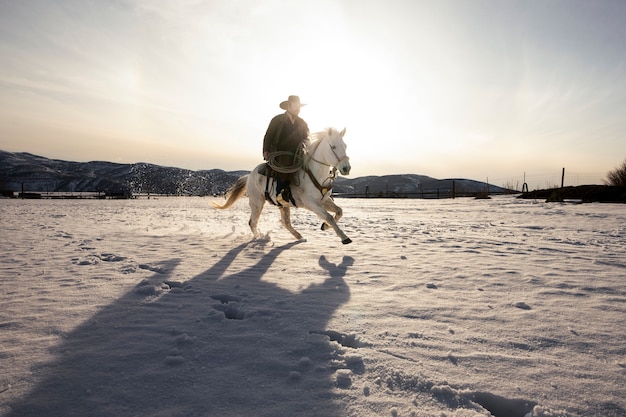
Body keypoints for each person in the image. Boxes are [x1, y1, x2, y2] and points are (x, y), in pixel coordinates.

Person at [262, 95, 310, 204]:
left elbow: (307, 135)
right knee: (285, 165)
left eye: (299, 106)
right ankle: (280, 194)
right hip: (279, 152)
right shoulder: (277, 120)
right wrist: (266, 150)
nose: (298, 109)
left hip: (298, 152)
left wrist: (307, 141)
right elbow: (268, 136)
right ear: (289, 106)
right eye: (296, 106)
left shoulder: (302, 122)